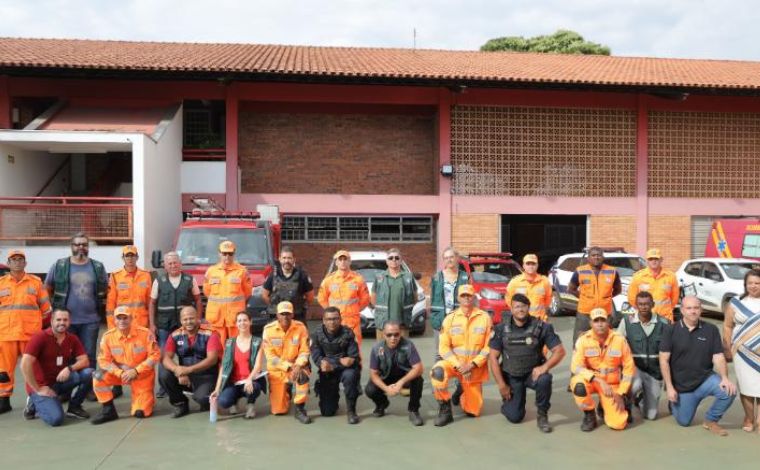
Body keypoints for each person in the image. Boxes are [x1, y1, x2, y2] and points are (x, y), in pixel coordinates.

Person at [660, 296, 737, 436]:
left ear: (701, 310)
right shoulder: (670, 330)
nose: (693, 311)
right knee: (684, 421)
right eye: (689, 308)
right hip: (682, 387)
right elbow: (664, 360)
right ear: (682, 310)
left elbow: (718, 356)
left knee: (728, 391)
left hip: (705, 380)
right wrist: (670, 388)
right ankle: (675, 404)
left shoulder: (711, 329)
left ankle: (711, 420)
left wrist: (725, 378)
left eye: (696, 308)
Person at [488, 294, 565, 433]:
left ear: (528, 307)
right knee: (515, 417)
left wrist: (544, 367)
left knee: (545, 379)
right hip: (512, 376)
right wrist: (502, 385)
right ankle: (509, 401)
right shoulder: (500, 329)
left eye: (523, 306)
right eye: (517, 306)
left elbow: (560, 351)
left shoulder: (542, 327)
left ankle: (542, 415)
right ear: (511, 309)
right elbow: (493, 358)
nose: (520, 309)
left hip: (532, 374)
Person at [46, 232, 108, 379]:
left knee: (89, 356)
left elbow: (104, 289)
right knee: (65, 355)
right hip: (65, 322)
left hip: (90, 320)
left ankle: (88, 388)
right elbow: (48, 287)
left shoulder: (98, 267)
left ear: (88, 247)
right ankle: (65, 387)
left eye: (84, 244)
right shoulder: (60, 266)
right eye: (77, 244)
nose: (81, 247)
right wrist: (55, 308)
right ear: (71, 246)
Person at [430, 284, 492, 426]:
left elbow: (489, 347)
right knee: (437, 372)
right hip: (455, 366)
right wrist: (459, 366)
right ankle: (445, 410)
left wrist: (471, 365)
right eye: (463, 296)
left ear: (474, 297)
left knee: (472, 412)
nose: (466, 298)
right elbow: (443, 347)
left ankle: (462, 389)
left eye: (469, 295)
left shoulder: (484, 318)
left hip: (474, 368)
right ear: (458, 298)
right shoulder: (450, 319)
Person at [20, 309, 93, 426]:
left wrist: (69, 369)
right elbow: (25, 363)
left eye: (65, 320)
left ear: (70, 322)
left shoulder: (72, 338)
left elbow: (85, 361)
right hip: (41, 386)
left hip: (59, 381)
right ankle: (34, 401)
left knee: (89, 373)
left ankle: (74, 408)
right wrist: (37, 389)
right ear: (51, 320)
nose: (62, 323)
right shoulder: (39, 337)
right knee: (56, 419)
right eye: (58, 320)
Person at [0, 249, 52, 413]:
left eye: (20, 259)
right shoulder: (1, 283)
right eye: (13, 259)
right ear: (8, 264)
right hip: (6, 334)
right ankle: (4, 399)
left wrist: (37, 328)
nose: (17, 262)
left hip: (30, 335)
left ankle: (34, 399)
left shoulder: (36, 283)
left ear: (25, 263)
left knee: (32, 368)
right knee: (3, 369)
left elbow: (46, 310)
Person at [90, 306, 160, 424]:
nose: (122, 321)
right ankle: (108, 410)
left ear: (131, 319)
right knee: (98, 377)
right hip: (120, 374)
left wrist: (136, 371)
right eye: (119, 318)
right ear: (115, 320)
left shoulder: (145, 333)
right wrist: (120, 372)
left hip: (141, 376)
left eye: (125, 318)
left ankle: (146, 399)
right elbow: (103, 361)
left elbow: (155, 355)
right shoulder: (108, 337)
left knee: (140, 413)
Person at [571, 307, 634, 432]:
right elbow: (576, 367)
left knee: (619, 424)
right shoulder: (583, 340)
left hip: (612, 385)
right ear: (590, 323)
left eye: (603, 320)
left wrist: (621, 393)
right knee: (578, 385)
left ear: (608, 321)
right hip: (592, 381)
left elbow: (629, 367)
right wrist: (598, 380)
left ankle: (604, 406)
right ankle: (589, 414)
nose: (600, 324)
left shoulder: (619, 340)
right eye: (596, 321)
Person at [149, 251, 203, 398]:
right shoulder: (159, 281)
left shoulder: (189, 279)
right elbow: (152, 303)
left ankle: (187, 381)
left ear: (180, 264)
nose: (173, 265)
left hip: (185, 325)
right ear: (165, 266)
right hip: (164, 326)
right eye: (170, 263)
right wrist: (152, 325)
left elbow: (198, 300)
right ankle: (163, 386)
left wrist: (198, 318)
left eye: (175, 262)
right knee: (164, 355)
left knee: (186, 353)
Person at [159, 306, 221, 418]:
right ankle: (180, 403)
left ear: (198, 318)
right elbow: (165, 358)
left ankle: (209, 397)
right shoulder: (175, 335)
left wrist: (188, 370)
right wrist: (177, 370)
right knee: (164, 373)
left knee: (202, 399)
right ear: (181, 320)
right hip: (185, 376)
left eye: (191, 318)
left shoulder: (211, 334)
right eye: (185, 319)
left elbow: (212, 359)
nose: (188, 322)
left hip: (206, 376)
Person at [617, 291, 668, 420]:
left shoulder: (665, 323)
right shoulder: (626, 322)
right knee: (634, 386)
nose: (643, 307)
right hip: (635, 368)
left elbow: (671, 352)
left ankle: (639, 399)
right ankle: (627, 405)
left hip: (655, 371)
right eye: (640, 304)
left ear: (652, 304)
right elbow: (617, 344)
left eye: (646, 304)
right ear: (636, 305)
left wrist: (669, 379)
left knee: (651, 416)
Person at [365, 321, 424, 426]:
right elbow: (373, 374)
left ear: (400, 333)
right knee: (370, 389)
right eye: (389, 335)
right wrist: (386, 389)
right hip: (385, 377)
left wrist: (401, 382)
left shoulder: (408, 345)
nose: (393, 338)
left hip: (403, 377)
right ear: (383, 335)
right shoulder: (376, 348)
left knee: (418, 379)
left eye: (396, 334)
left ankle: (413, 410)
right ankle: (382, 404)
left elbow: (418, 368)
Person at [262, 301, 312, 424]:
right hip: (277, 369)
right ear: (277, 315)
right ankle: (287, 391)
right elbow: (271, 357)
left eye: (288, 314)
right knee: (279, 410)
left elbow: (305, 351)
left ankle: (300, 408)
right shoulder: (268, 330)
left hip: (297, 367)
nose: (285, 316)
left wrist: (299, 365)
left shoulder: (301, 328)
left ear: (292, 314)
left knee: (303, 376)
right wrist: (289, 367)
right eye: (282, 314)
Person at [723, 268, 760, 433]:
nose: (753, 286)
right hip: (742, 353)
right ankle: (749, 417)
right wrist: (728, 347)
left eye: (757, 283)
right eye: (750, 283)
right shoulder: (736, 302)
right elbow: (727, 325)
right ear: (745, 285)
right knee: (746, 386)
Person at [210, 311, 266, 419]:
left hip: (250, 381)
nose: (242, 323)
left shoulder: (257, 342)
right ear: (236, 324)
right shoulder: (229, 343)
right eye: (239, 321)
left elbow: (258, 365)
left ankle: (250, 404)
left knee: (253, 388)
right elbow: (223, 367)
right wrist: (217, 389)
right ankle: (234, 401)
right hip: (234, 382)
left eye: (245, 320)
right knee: (223, 402)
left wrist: (250, 379)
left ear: (250, 322)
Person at [310, 306, 361, 424]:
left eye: (335, 319)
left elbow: (351, 359)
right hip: (327, 371)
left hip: (345, 370)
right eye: (328, 319)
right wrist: (329, 363)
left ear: (340, 319)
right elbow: (317, 357)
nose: (332, 322)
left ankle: (351, 411)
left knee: (351, 376)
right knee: (327, 412)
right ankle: (333, 398)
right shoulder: (316, 334)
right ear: (323, 320)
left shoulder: (348, 333)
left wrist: (333, 364)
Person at [567, 246, 621, 345]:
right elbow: (571, 289)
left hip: (605, 313)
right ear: (588, 258)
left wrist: (605, 297)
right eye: (593, 255)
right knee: (580, 340)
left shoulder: (612, 271)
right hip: (585, 313)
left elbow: (618, 290)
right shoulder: (580, 271)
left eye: (599, 255)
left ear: (603, 257)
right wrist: (583, 298)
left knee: (606, 341)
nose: (596, 257)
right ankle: (579, 359)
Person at [203, 241, 252, 343]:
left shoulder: (242, 271)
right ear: (219, 254)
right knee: (217, 347)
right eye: (224, 254)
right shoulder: (211, 271)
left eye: (230, 254)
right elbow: (207, 292)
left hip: (235, 318)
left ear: (234, 254)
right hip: (217, 317)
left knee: (236, 345)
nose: (227, 257)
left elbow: (247, 293)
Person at [318, 250, 370, 346]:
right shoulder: (328, 280)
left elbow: (365, 299)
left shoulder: (358, 279)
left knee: (354, 350)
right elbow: (321, 298)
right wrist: (331, 313)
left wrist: (354, 310)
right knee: (334, 349)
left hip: (352, 322)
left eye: (345, 259)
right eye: (340, 259)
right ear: (336, 262)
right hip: (334, 322)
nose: (343, 262)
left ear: (349, 262)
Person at [428, 247, 470, 358]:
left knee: (458, 352)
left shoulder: (465, 277)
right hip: (440, 320)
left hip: (459, 319)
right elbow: (431, 300)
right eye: (446, 258)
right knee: (440, 353)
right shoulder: (436, 277)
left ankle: (456, 374)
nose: (449, 260)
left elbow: (471, 298)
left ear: (457, 258)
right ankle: (440, 375)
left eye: (451, 257)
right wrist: (432, 316)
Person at [372, 248, 417, 339]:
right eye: (391, 258)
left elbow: (415, 299)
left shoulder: (408, 277)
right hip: (383, 324)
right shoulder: (379, 278)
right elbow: (373, 300)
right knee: (382, 351)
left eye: (397, 258)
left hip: (402, 323)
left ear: (401, 260)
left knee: (403, 351)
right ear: (386, 261)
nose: (394, 260)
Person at [106, 245, 153, 329]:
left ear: (137, 257)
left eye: (132, 255)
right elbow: (110, 303)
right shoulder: (115, 276)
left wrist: (151, 324)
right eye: (127, 256)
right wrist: (111, 326)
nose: (130, 258)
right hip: (123, 323)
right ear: (123, 258)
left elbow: (150, 302)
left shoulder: (146, 275)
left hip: (141, 323)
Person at [262, 246, 314, 322]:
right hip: (276, 318)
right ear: (280, 259)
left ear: (294, 259)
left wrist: (300, 306)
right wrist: (275, 307)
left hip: (296, 317)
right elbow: (264, 295)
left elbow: (310, 297)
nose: (286, 261)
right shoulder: (273, 275)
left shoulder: (302, 276)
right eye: (284, 258)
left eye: (289, 258)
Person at [627, 249, 679, 322]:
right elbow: (632, 298)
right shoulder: (638, 277)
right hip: (646, 318)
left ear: (661, 260)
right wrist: (642, 312)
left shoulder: (670, 276)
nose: (653, 261)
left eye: (656, 259)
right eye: (651, 259)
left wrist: (666, 310)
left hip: (665, 317)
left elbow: (675, 298)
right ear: (647, 261)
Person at [505, 254, 553, 321]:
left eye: (533, 264)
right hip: (521, 321)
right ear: (523, 266)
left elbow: (548, 301)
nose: (531, 266)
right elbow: (509, 300)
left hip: (539, 321)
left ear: (537, 265)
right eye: (528, 264)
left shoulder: (544, 282)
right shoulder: (515, 282)